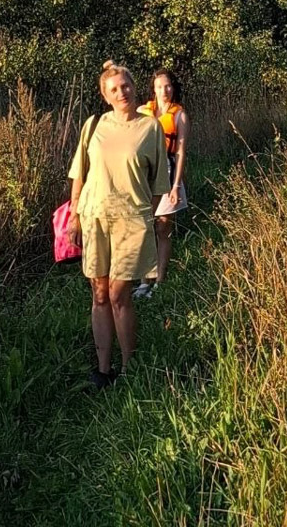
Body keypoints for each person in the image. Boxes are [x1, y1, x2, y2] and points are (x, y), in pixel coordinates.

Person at [65, 61, 170, 386]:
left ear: (133, 87)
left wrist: (141, 214)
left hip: (131, 223)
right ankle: (102, 368)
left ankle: (128, 368)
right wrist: (75, 216)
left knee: (119, 294)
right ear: (105, 95)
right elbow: (79, 174)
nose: (121, 92)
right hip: (95, 218)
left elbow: (158, 185)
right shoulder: (94, 125)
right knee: (98, 294)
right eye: (114, 89)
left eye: (125, 86)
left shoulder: (150, 127)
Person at [134, 68, 190, 296]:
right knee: (143, 227)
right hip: (144, 173)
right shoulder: (141, 111)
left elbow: (181, 153)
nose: (163, 90)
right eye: (159, 86)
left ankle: (160, 279)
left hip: (167, 173)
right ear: (153, 89)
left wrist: (176, 185)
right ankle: (144, 280)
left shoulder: (180, 115)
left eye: (167, 86)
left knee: (163, 227)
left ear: (173, 87)